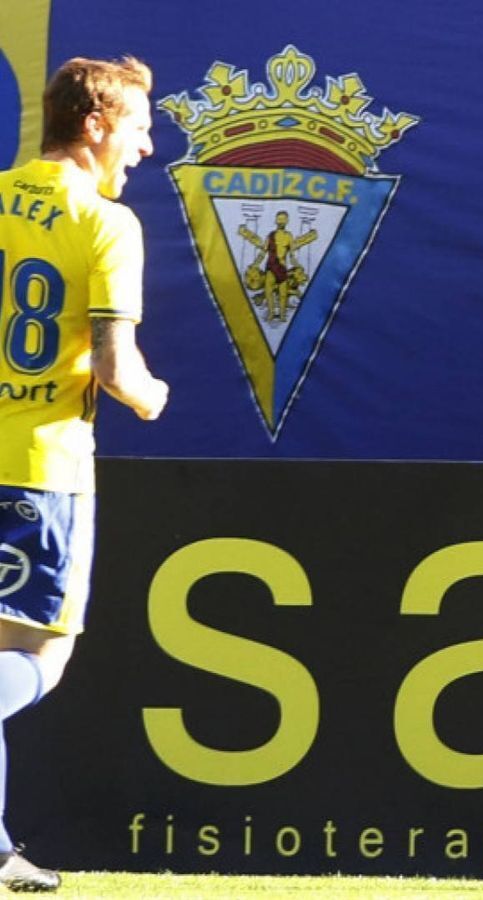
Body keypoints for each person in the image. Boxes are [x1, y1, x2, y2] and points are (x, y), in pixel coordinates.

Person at [0, 55, 169, 891]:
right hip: (39, 472)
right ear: (96, 123)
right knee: (40, 657)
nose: (144, 147)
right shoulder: (104, 223)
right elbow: (113, 365)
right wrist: (149, 397)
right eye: (138, 127)